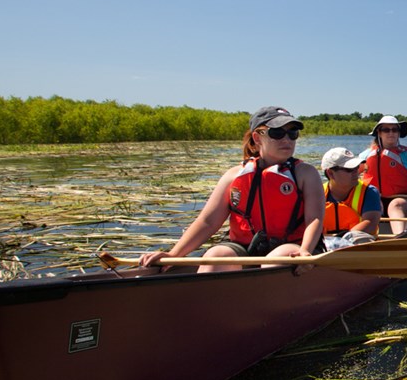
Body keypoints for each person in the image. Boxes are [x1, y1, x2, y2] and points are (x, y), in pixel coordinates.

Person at [139, 106, 324, 271]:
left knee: (276, 259)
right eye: (277, 133)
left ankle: (267, 302)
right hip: (247, 247)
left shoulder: (306, 173)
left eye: (292, 133)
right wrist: (174, 254)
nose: (287, 139)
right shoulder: (233, 175)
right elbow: (208, 221)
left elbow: (314, 218)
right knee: (214, 256)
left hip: (295, 246)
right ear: (257, 138)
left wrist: (305, 250)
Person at [320, 147, 382, 244]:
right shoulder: (317, 194)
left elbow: (371, 222)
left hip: (358, 245)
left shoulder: (369, 192)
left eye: (356, 167)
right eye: (349, 169)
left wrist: (342, 241)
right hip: (325, 244)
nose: (356, 172)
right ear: (330, 173)